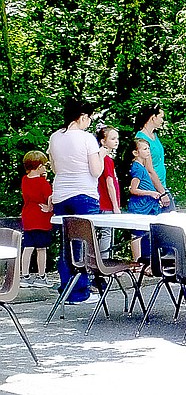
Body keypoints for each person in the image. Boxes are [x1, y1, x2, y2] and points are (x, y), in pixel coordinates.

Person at [48, 98, 105, 304]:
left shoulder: (55, 137)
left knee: (66, 244)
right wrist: (101, 154)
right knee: (84, 244)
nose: (89, 122)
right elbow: (96, 171)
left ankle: (66, 289)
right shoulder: (87, 138)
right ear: (82, 117)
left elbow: (55, 168)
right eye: (89, 118)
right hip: (85, 194)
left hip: (61, 193)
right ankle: (80, 292)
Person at [20, 151, 54, 288]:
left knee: (28, 247)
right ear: (40, 166)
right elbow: (50, 198)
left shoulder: (24, 179)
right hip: (41, 218)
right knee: (41, 249)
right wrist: (50, 208)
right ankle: (41, 276)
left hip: (28, 216)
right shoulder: (42, 183)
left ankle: (25, 275)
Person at [128, 138, 161, 263]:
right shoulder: (137, 168)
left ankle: (146, 262)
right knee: (137, 233)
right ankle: (137, 262)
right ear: (136, 153)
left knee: (146, 233)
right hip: (140, 206)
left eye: (148, 149)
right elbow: (133, 189)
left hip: (147, 205)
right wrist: (151, 193)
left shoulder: (141, 167)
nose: (148, 151)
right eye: (145, 149)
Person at [134, 104, 172, 212]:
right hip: (153, 188)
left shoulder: (154, 135)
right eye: (161, 117)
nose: (162, 120)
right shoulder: (141, 138)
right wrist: (163, 193)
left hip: (161, 185)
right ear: (153, 117)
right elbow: (149, 170)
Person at [96, 125, 121, 259]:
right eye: (112, 138)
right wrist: (115, 206)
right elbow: (110, 184)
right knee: (106, 233)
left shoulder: (101, 159)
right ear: (103, 141)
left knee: (100, 233)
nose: (116, 141)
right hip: (106, 204)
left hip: (101, 203)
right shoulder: (107, 160)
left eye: (117, 138)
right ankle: (104, 262)